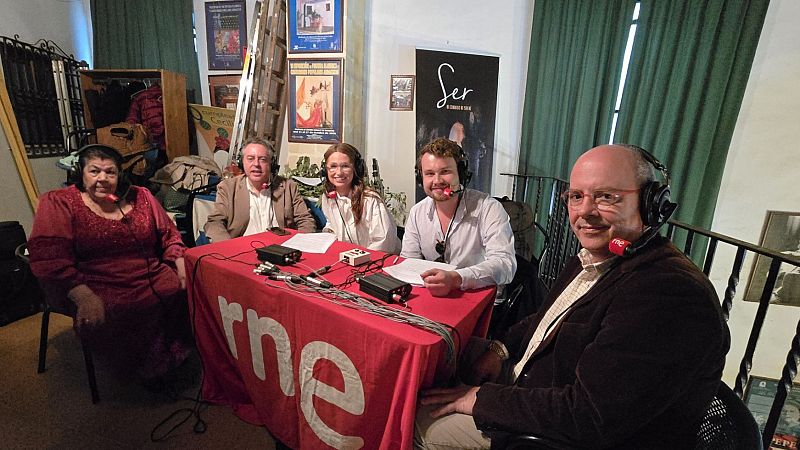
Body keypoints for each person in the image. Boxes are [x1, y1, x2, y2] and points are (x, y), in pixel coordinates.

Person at [414, 144, 730, 449]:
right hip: (533, 383)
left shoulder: (668, 293)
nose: (585, 212)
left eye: (607, 197)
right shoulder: (596, 257)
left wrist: (477, 399)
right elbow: (543, 321)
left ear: (651, 204)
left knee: (414, 419)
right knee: (441, 349)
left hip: (551, 432)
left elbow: (587, 417)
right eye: (576, 197)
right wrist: (498, 349)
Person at [27, 145, 191, 382]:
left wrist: (180, 260)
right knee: (119, 308)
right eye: (94, 171)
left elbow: (170, 235)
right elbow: (49, 255)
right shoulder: (59, 203)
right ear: (81, 174)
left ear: (120, 176)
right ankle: (137, 369)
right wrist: (83, 295)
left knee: (185, 290)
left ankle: (171, 356)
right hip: (94, 280)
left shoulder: (141, 196)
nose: (102, 178)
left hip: (149, 273)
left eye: (110, 172)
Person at [401, 138, 516, 297]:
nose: (437, 181)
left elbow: (505, 265)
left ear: (461, 174)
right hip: (433, 296)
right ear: (420, 178)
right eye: (429, 174)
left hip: (480, 300)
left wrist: (456, 279)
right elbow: (409, 262)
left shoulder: (489, 208)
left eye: (445, 172)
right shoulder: (417, 212)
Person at [204, 137, 316, 242]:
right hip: (243, 250)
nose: (256, 164)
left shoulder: (288, 187)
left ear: (271, 164)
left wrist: (300, 244)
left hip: (280, 248)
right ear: (241, 163)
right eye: (250, 159)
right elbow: (215, 222)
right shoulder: (228, 188)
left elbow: (305, 220)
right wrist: (229, 248)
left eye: (262, 159)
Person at [319, 143, 401, 254]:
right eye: (333, 166)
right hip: (346, 258)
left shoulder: (370, 200)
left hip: (372, 261)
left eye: (345, 166)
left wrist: (359, 259)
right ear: (325, 171)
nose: (338, 172)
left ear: (356, 169)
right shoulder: (328, 197)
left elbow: (383, 243)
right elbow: (332, 224)